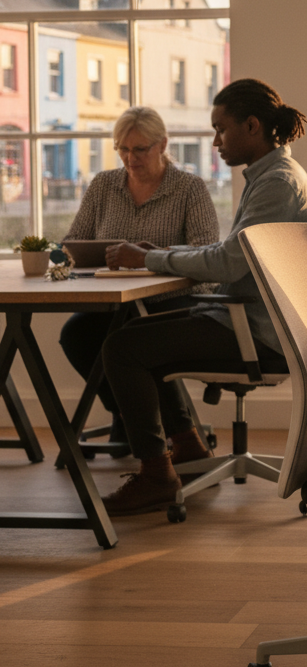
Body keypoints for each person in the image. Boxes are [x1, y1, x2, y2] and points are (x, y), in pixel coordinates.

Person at [99, 78, 307, 516]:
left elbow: (228, 264)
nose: (216, 141)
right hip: (253, 322)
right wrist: (158, 257)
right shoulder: (274, 176)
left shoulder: (276, 183)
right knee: (131, 333)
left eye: (221, 129)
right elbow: (230, 256)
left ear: (252, 126)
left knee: (123, 349)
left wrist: (151, 259)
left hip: (257, 333)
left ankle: (157, 474)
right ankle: (186, 447)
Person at [60, 106, 219, 445]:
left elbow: (206, 252)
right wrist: (58, 254)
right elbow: (74, 241)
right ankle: (129, 412)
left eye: (139, 149)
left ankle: (162, 435)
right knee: (75, 335)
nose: (130, 158)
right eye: (123, 149)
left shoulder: (190, 188)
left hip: (172, 298)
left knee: (136, 333)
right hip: (115, 300)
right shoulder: (103, 185)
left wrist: (151, 258)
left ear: (162, 145)